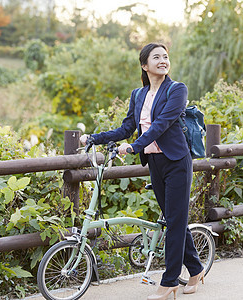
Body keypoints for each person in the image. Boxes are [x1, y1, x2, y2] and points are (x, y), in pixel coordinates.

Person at [80, 43, 205, 300]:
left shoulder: (177, 89)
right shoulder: (138, 94)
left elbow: (161, 124)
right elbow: (126, 128)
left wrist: (134, 147)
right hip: (155, 163)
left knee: (175, 222)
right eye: (156, 57)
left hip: (177, 162)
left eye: (166, 56)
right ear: (144, 65)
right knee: (174, 220)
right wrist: (95, 137)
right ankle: (196, 269)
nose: (163, 60)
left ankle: (169, 281)